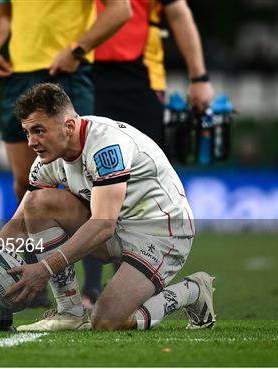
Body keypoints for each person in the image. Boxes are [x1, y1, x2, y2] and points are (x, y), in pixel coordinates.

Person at [0, 82, 215, 331]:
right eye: (27, 132)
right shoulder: (48, 157)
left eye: (38, 130)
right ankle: (69, 312)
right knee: (37, 203)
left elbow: (103, 226)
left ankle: (192, 291)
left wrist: (45, 268)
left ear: (68, 126)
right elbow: (19, 223)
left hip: (160, 232)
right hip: (116, 227)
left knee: (108, 321)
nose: (31, 142)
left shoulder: (106, 146)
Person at [0, 0, 132, 331]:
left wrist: (77, 50)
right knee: (27, 188)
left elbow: (121, 10)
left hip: (65, 69)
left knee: (86, 186)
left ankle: (91, 288)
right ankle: (23, 285)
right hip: (19, 75)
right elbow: (0, 10)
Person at [82, 0, 215, 307]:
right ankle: (90, 288)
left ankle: (133, 281)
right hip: (85, 72)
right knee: (89, 180)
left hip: (140, 79)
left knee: (140, 182)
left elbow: (179, 13)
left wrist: (199, 77)